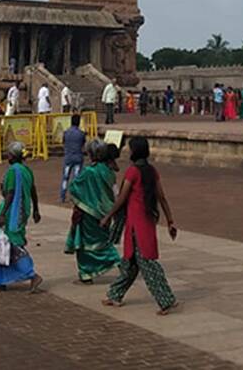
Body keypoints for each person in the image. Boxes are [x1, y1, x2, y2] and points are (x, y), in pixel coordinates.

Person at [100, 137, 178, 314]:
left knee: (148, 265)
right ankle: (115, 295)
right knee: (129, 264)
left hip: (137, 226)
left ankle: (166, 300)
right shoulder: (152, 171)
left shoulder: (132, 172)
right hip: (147, 221)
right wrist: (170, 221)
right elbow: (162, 197)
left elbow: (122, 198)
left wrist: (108, 216)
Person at [0, 141, 44, 293]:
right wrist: (36, 210)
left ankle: (32, 274)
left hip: (11, 213)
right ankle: (0, 279)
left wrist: (2, 214)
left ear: (12, 156)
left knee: (11, 245)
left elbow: (10, 193)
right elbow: (33, 191)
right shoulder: (27, 170)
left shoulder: (13, 171)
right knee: (3, 245)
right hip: (22, 212)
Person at [65, 140, 122, 283]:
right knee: (100, 242)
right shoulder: (108, 171)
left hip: (89, 213)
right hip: (105, 212)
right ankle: (88, 273)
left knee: (85, 244)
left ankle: (89, 273)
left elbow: (74, 188)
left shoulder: (89, 172)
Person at [60, 114, 86, 203]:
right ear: (78, 122)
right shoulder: (81, 133)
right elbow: (83, 144)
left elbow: (63, 142)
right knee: (76, 178)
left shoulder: (66, 132)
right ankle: (75, 197)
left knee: (65, 178)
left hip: (68, 157)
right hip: (78, 157)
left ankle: (62, 196)